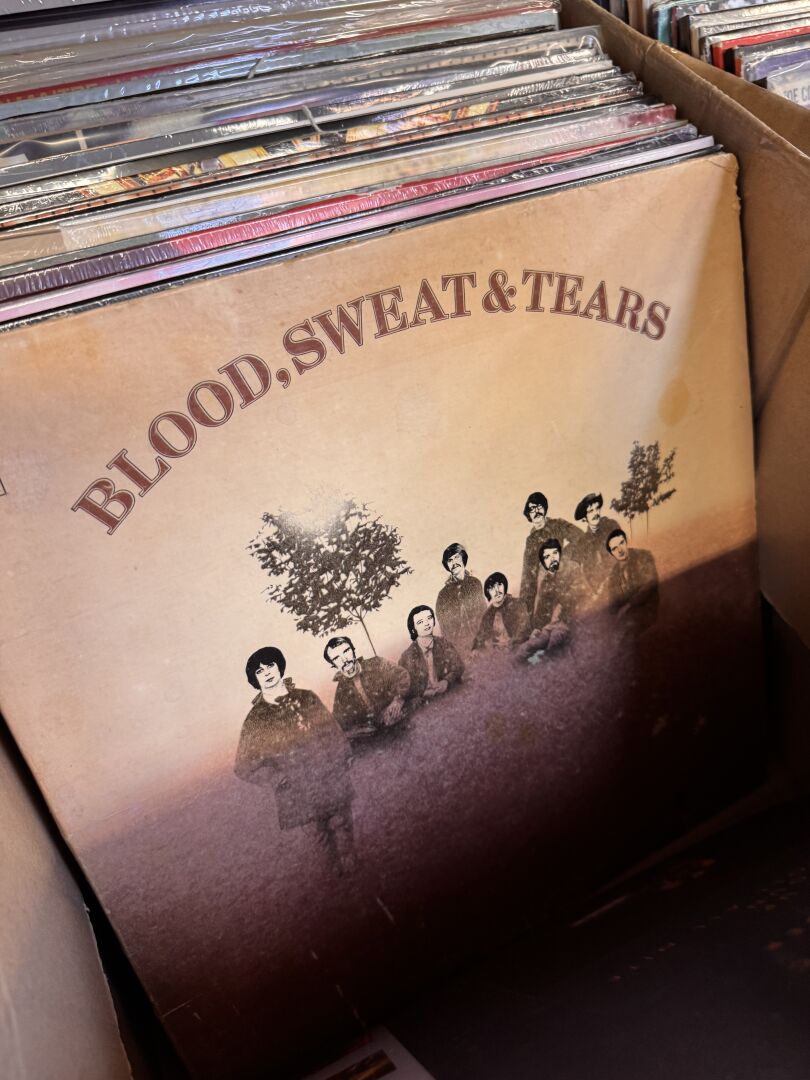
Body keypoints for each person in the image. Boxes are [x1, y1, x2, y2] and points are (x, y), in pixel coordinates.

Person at [234, 646, 356, 874]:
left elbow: (332, 730)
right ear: (254, 680)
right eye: (260, 671)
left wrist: (343, 756)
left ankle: (353, 869)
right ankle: (333, 880)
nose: (267, 673)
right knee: (319, 839)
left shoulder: (306, 698)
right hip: (297, 793)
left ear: (279, 667)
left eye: (270, 666)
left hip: (329, 778)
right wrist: (276, 778)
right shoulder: (256, 720)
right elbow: (243, 765)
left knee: (343, 827)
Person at [324, 635, 410, 749]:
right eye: (336, 658)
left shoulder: (377, 664)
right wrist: (355, 731)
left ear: (353, 651)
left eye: (346, 651)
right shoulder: (341, 691)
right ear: (333, 665)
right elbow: (340, 724)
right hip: (376, 740)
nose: (344, 659)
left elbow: (402, 676)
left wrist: (397, 701)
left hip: (400, 721)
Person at [519, 491, 582, 609]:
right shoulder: (531, 540)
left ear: (545, 508)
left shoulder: (557, 525)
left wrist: (563, 557)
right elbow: (528, 576)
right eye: (532, 509)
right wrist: (525, 611)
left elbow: (580, 537)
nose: (536, 512)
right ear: (528, 514)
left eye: (539, 507)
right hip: (546, 582)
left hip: (565, 573)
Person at [525, 539, 586, 655]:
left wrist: (560, 604)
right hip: (552, 624)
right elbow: (542, 607)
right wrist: (537, 628)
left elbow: (579, 592)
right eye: (547, 557)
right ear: (543, 563)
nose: (552, 558)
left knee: (554, 641)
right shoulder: (547, 580)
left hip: (571, 620)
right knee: (528, 647)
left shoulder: (572, 568)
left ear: (559, 555)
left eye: (555, 553)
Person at [399, 605, 465, 703]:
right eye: (420, 622)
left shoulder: (443, 643)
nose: (426, 624)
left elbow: (459, 665)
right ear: (413, 628)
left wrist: (446, 681)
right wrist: (422, 692)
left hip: (452, 696)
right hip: (424, 703)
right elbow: (405, 686)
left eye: (429, 618)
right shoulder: (407, 656)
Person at [606, 528, 660, 638]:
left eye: (621, 543)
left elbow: (651, 583)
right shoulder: (614, 573)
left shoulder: (643, 556)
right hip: (629, 614)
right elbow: (613, 599)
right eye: (614, 549)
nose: (620, 550)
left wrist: (629, 605)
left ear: (626, 542)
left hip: (648, 607)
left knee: (628, 634)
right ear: (611, 553)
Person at [435, 542, 487, 653]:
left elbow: (483, 614)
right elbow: (445, 628)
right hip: (458, 649)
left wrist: (480, 642)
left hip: (480, 643)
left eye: (457, 557)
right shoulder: (443, 595)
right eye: (450, 560)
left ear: (463, 558)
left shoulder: (475, 584)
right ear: (447, 565)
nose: (454, 563)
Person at [571, 492, 621, 598]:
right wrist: (593, 591)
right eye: (590, 511)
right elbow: (579, 572)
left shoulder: (611, 526)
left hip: (619, 580)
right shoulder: (582, 542)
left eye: (597, 508)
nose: (595, 513)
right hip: (596, 592)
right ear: (584, 518)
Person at [472, 572, 531, 651]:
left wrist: (511, 648)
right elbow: (480, 637)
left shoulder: (517, 604)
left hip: (517, 650)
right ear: (488, 592)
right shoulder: (488, 614)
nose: (497, 591)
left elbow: (523, 632)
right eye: (492, 588)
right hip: (496, 653)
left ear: (504, 586)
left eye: (499, 585)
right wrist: (475, 649)